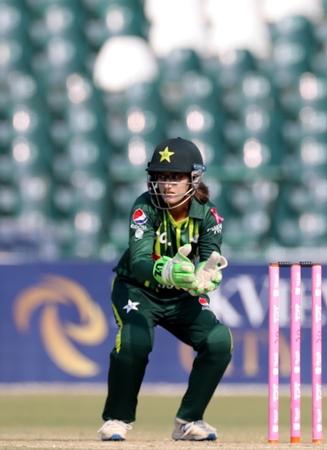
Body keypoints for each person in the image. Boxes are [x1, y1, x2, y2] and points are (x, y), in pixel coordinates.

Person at [97, 137, 232, 441]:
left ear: (193, 179)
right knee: (135, 341)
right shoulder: (144, 207)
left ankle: (188, 420)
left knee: (219, 340)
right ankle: (116, 419)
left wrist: (207, 276)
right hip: (137, 289)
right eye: (161, 177)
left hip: (179, 295)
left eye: (175, 177)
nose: (166, 184)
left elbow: (211, 258)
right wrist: (167, 269)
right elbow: (140, 258)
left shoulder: (208, 215)